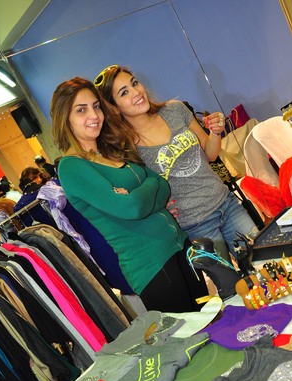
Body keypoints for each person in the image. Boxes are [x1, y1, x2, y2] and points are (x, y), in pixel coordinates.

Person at [50, 77, 208, 312]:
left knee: (215, 319)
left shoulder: (110, 150)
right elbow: (132, 208)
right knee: (195, 333)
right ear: (65, 118)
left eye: (96, 106)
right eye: (81, 110)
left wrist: (140, 192)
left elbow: (161, 184)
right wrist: (145, 190)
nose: (94, 115)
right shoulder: (72, 166)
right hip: (153, 267)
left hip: (181, 246)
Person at [94, 65, 259, 261]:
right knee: (227, 279)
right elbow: (138, 195)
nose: (136, 92)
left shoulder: (174, 110)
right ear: (114, 108)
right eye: (124, 92)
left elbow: (210, 154)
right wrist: (159, 206)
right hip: (195, 225)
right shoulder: (127, 149)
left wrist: (215, 132)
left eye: (134, 83)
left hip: (226, 203)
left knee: (263, 260)